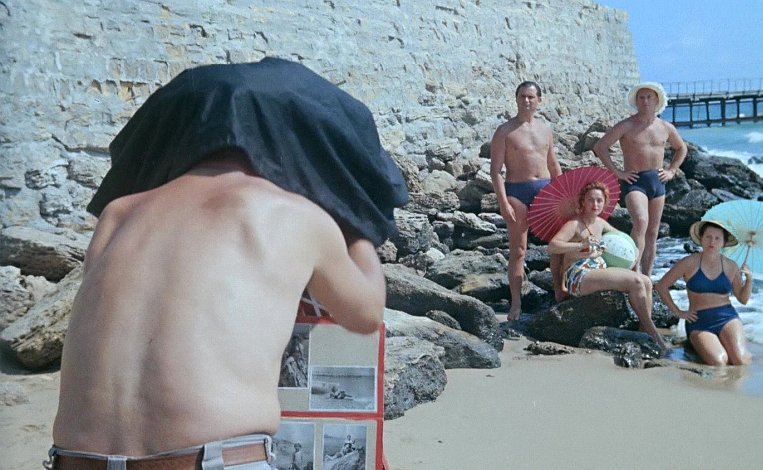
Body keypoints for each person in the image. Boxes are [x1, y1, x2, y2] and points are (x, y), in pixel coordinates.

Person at [47, 58, 408, 469]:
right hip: (209, 459)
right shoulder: (291, 215)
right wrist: (354, 222)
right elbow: (365, 314)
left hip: (77, 460)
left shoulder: (119, 214)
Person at [547, 181, 669, 350]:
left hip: (598, 268)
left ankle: (643, 331)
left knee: (646, 281)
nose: (595, 204)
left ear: (605, 203)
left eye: (599, 200)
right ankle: (653, 333)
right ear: (583, 201)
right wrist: (580, 245)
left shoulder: (600, 223)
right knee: (636, 282)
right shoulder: (574, 224)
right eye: (590, 200)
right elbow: (553, 246)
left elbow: (621, 239)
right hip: (579, 274)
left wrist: (632, 253)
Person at [593, 82, 687, 276]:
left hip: (657, 181)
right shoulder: (627, 125)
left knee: (652, 232)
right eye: (641, 97)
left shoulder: (665, 127)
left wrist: (671, 171)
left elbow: (681, 148)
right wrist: (617, 172)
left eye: (649, 97)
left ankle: (647, 277)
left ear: (657, 100)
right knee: (641, 221)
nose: (645, 101)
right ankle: (634, 271)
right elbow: (601, 147)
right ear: (636, 101)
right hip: (634, 181)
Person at [490, 80, 564, 319]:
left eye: (531, 97)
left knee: (557, 246)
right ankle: (516, 303)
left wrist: (563, 193)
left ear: (539, 100)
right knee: (519, 249)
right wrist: (503, 202)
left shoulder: (546, 129)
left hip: (545, 191)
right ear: (516, 99)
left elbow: (553, 163)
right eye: (522, 96)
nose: (526, 101)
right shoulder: (504, 131)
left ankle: (559, 292)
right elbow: (496, 171)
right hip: (517, 192)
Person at [655, 220, 753, 365]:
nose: (712, 242)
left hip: (727, 318)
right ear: (701, 238)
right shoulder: (689, 262)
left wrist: (749, 280)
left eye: (717, 238)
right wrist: (679, 312)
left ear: (724, 242)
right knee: (719, 362)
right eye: (708, 237)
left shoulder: (731, 266)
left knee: (740, 361)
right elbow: (661, 286)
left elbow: (743, 299)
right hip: (699, 322)